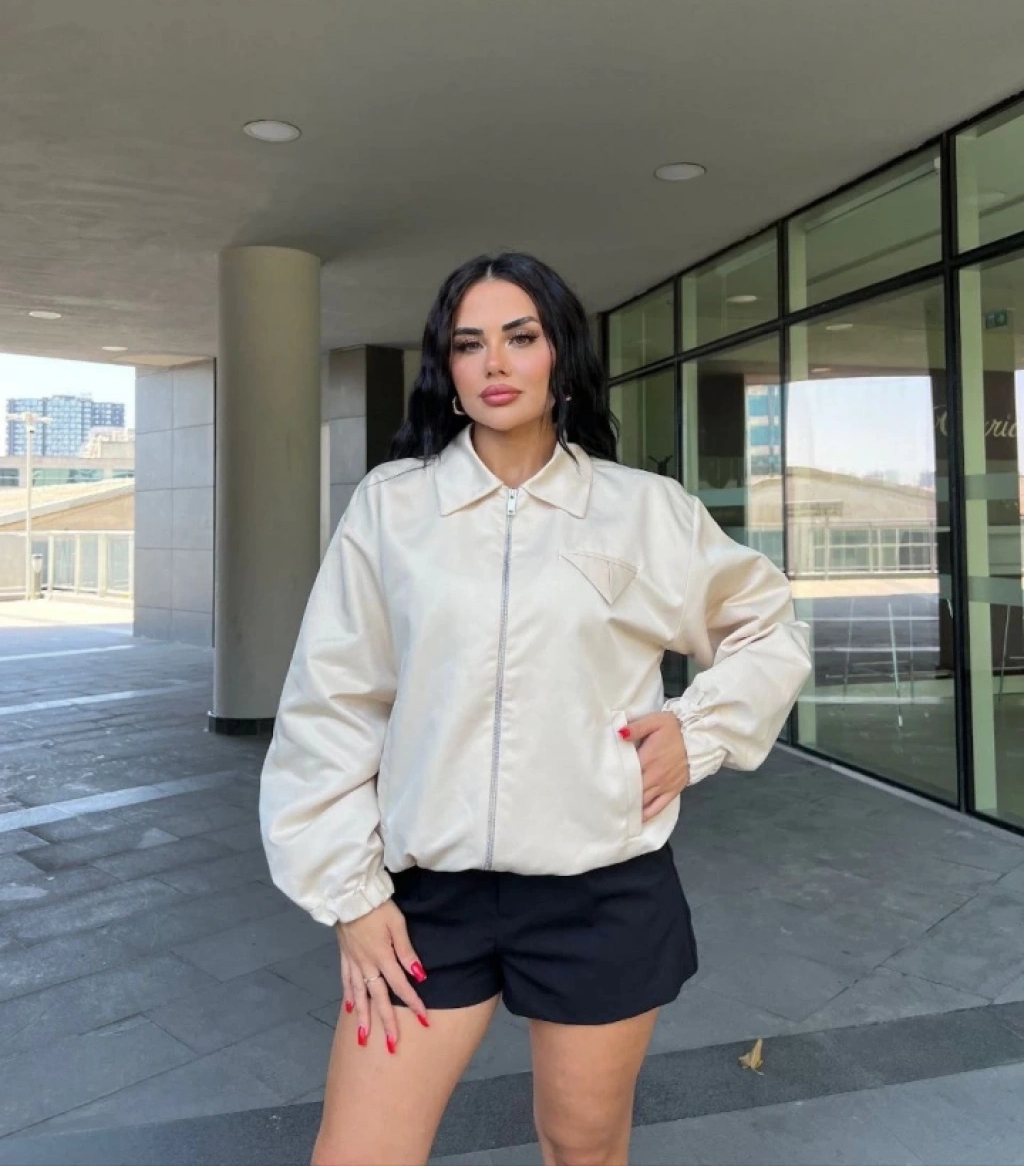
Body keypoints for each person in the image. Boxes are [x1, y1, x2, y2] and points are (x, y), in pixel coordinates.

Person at [260, 251, 811, 1166]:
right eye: (468, 343)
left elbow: (766, 623)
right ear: (447, 367)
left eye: (520, 337)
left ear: (561, 354)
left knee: (582, 1147)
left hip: (600, 891)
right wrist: (349, 896)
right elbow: (333, 703)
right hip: (424, 900)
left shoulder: (642, 511)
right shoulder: (393, 510)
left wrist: (699, 730)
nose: (495, 362)